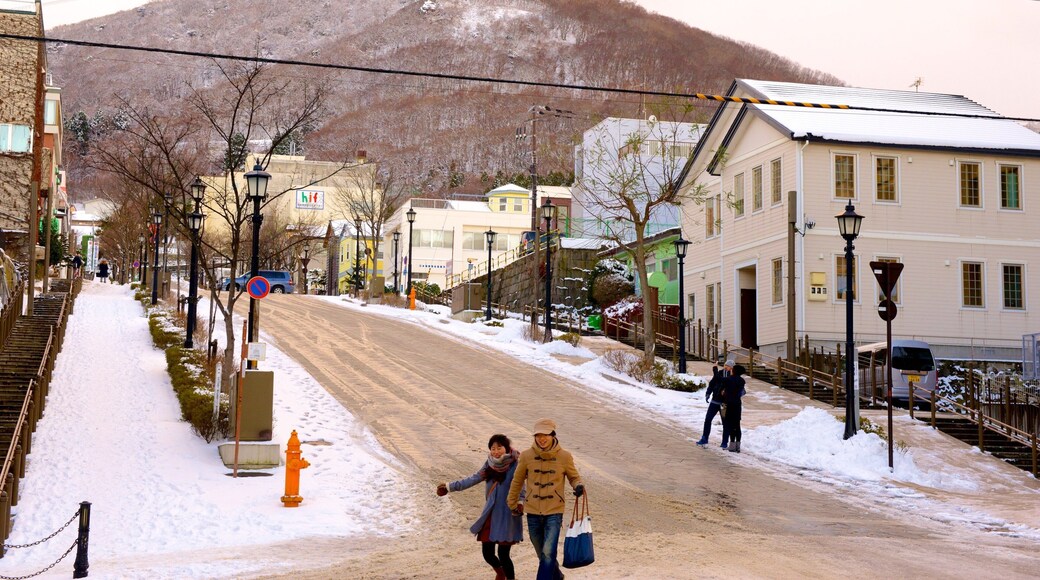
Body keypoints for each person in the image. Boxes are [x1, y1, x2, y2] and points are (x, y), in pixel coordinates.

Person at [437, 434, 524, 580]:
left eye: (499, 448)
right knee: (487, 554)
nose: (496, 452)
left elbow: (521, 486)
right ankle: (500, 573)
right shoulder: (489, 465)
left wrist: (520, 503)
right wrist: (450, 487)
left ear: (506, 448)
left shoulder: (516, 464)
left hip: (507, 515)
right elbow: (474, 478)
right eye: (493, 448)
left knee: (504, 555)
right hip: (490, 514)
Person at [507, 419, 583, 580]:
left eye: (546, 435)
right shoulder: (526, 456)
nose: (542, 439)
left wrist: (578, 486)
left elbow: (574, 477)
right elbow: (517, 481)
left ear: (553, 435)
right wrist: (512, 503)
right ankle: (557, 576)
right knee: (541, 553)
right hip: (533, 510)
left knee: (548, 552)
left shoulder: (564, 456)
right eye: (538, 435)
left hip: (554, 510)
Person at [696, 359, 732, 448]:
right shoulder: (719, 373)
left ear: (731, 368)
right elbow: (712, 384)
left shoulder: (731, 377)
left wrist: (715, 369)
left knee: (725, 422)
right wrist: (708, 393)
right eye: (725, 365)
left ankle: (724, 442)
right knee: (708, 419)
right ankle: (704, 438)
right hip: (714, 401)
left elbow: (723, 380)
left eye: (728, 366)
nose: (726, 367)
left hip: (724, 403)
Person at [721, 363, 747, 453]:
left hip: (729, 404)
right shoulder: (742, 381)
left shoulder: (728, 379)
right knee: (737, 425)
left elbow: (720, 381)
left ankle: (732, 445)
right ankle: (738, 445)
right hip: (737, 404)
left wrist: (715, 369)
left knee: (730, 425)